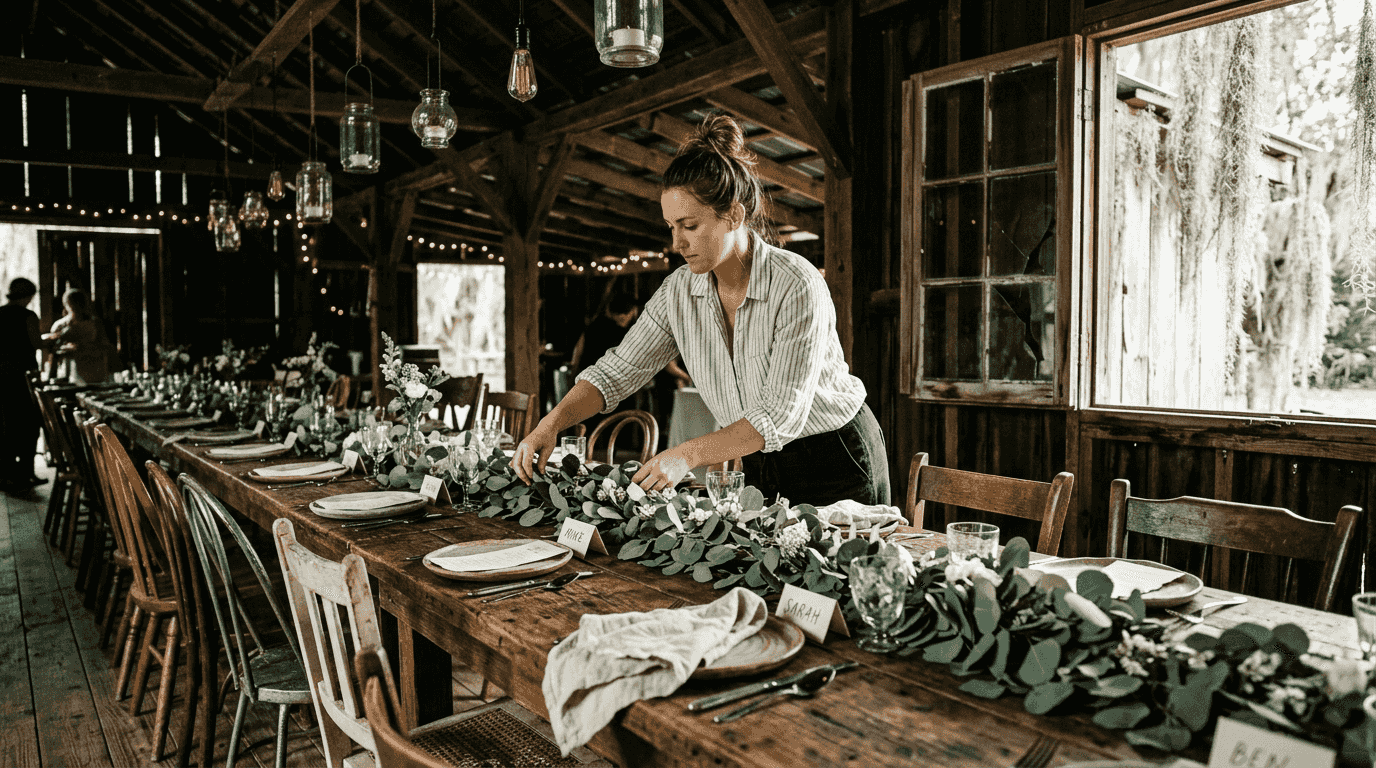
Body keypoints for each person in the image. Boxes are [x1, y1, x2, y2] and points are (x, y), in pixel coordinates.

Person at [513, 114, 889, 507]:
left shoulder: (796, 284)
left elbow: (779, 415)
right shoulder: (678, 291)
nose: (677, 243)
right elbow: (616, 372)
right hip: (757, 461)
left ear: (735, 216)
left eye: (689, 226)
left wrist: (685, 454)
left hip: (835, 459)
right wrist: (551, 423)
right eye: (671, 227)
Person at [0, 278, 45, 490]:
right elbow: (36, 343)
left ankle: (6, 474)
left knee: (5, 424)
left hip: (1, 377)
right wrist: (51, 341)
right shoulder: (28, 316)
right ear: (28, 295)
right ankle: (26, 472)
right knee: (29, 424)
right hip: (22, 377)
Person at [43, 288, 110, 385]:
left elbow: (105, 347)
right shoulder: (60, 326)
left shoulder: (95, 324)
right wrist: (51, 377)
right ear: (66, 304)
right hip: (69, 374)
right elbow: (53, 354)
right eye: (72, 303)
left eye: (79, 302)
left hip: (94, 373)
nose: (75, 306)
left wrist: (82, 348)